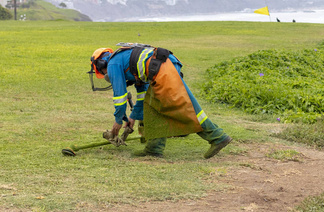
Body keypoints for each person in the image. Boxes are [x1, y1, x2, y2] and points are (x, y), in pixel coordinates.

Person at [90, 44, 232, 159]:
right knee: (155, 106)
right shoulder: (125, 59)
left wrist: (118, 122)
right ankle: (154, 148)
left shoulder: (113, 64)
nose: (104, 75)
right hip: (165, 65)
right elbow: (143, 96)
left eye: (101, 72)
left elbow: (120, 97)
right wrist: (132, 117)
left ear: (101, 63)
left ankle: (217, 137)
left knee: (184, 109)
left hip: (163, 70)